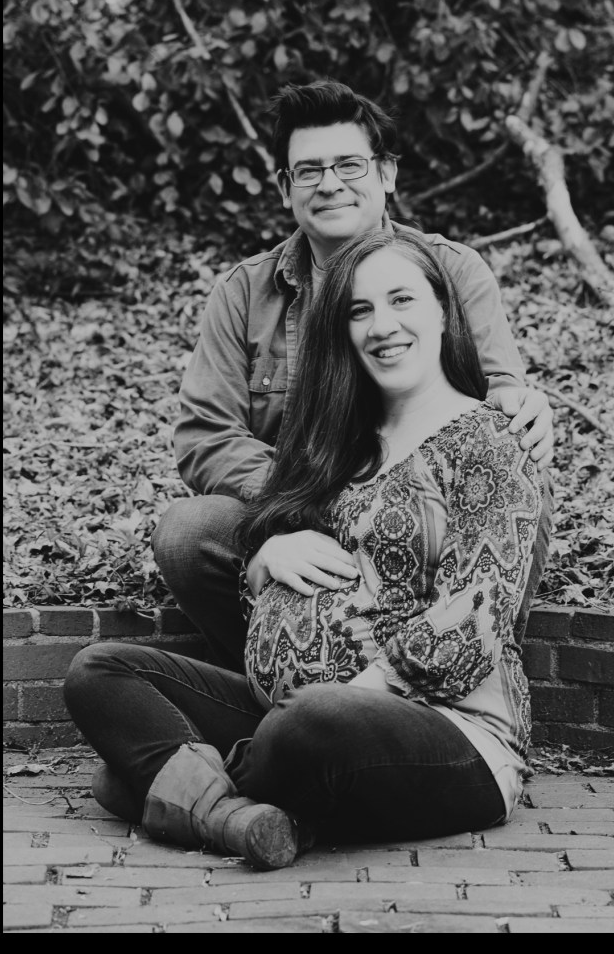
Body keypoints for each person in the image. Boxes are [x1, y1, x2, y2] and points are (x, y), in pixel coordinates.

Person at [64, 227, 546, 871]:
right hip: (294, 723)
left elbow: (477, 616)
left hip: (448, 732)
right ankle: (238, 816)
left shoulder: (489, 440)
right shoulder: (338, 444)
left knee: (302, 723)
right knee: (99, 672)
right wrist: (265, 559)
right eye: (359, 310)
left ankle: (179, 788)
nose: (382, 325)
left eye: (402, 300)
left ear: (441, 310)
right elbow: (269, 582)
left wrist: (357, 691)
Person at [150, 80, 554, 674]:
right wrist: (304, 509)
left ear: (386, 173)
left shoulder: (453, 271)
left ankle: (460, 678)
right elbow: (206, 435)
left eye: (348, 164)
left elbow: (500, 396)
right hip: (296, 512)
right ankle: (266, 684)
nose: (330, 183)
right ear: (285, 188)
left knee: (522, 479)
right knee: (188, 532)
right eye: (309, 171)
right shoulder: (244, 294)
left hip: (421, 516)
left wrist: (519, 403)